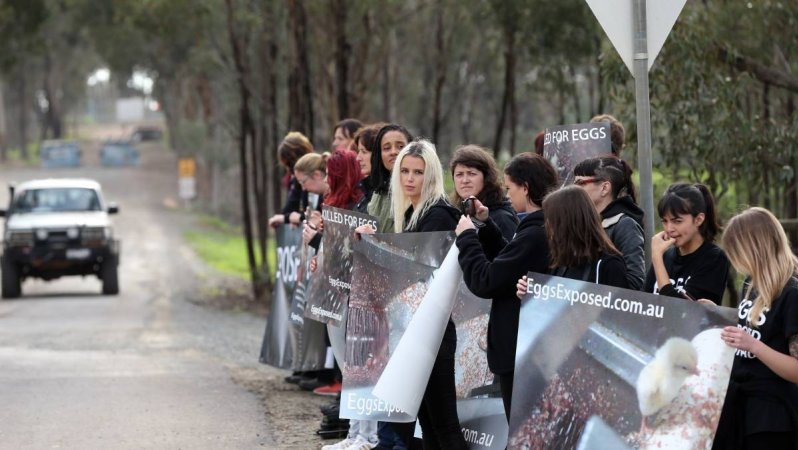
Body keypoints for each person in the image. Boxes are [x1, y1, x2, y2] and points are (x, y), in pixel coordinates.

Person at [454, 152, 558, 420]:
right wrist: (486, 226)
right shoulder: (539, 227)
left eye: (511, 188)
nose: (508, 196)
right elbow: (509, 264)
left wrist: (467, 238)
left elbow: (487, 280)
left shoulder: (535, 233)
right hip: (527, 348)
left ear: (525, 187)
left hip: (520, 349)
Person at [713, 207, 798, 450]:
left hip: (773, 416)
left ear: (754, 248)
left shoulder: (792, 293)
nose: (733, 260)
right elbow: (749, 333)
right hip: (740, 406)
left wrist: (753, 345)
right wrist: (716, 314)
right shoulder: (751, 284)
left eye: (736, 252)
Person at [643, 183, 729, 304]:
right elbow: (643, 305)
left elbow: (680, 312)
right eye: (665, 221)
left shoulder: (714, 258)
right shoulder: (665, 256)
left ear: (698, 219)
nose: (669, 228)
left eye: (677, 221)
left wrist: (657, 258)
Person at [573, 156, 645, 290]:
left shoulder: (625, 225)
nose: (574, 190)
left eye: (581, 183)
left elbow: (635, 283)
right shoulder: (583, 223)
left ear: (605, 188)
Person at [449, 145, 518, 241]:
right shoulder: (457, 215)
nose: (465, 180)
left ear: (486, 178)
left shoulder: (502, 218)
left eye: (471, 174)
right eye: (459, 174)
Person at [366, 124, 412, 233]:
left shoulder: (417, 192)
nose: (393, 152)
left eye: (400, 147)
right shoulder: (377, 193)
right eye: (387, 148)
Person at [268, 131, 314, 228]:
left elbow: (314, 216)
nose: (289, 170)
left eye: (290, 164)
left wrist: (288, 218)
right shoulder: (294, 181)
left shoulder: (314, 180)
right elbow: (291, 208)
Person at [353, 124, 385, 214]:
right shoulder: (367, 189)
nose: (358, 158)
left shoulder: (388, 195)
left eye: (364, 152)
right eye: (358, 151)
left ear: (378, 154)